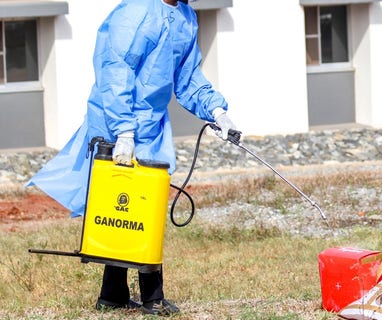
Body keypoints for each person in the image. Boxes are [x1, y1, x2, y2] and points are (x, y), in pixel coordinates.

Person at [25, 0, 236, 316]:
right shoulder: (135, 14)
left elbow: (188, 76)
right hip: (115, 121)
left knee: (139, 208)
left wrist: (218, 112)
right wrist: (123, 132)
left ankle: (113, 295)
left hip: (150, 124)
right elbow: (116, 72)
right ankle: (152, 297)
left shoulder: (185, 16)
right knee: (129, 208)